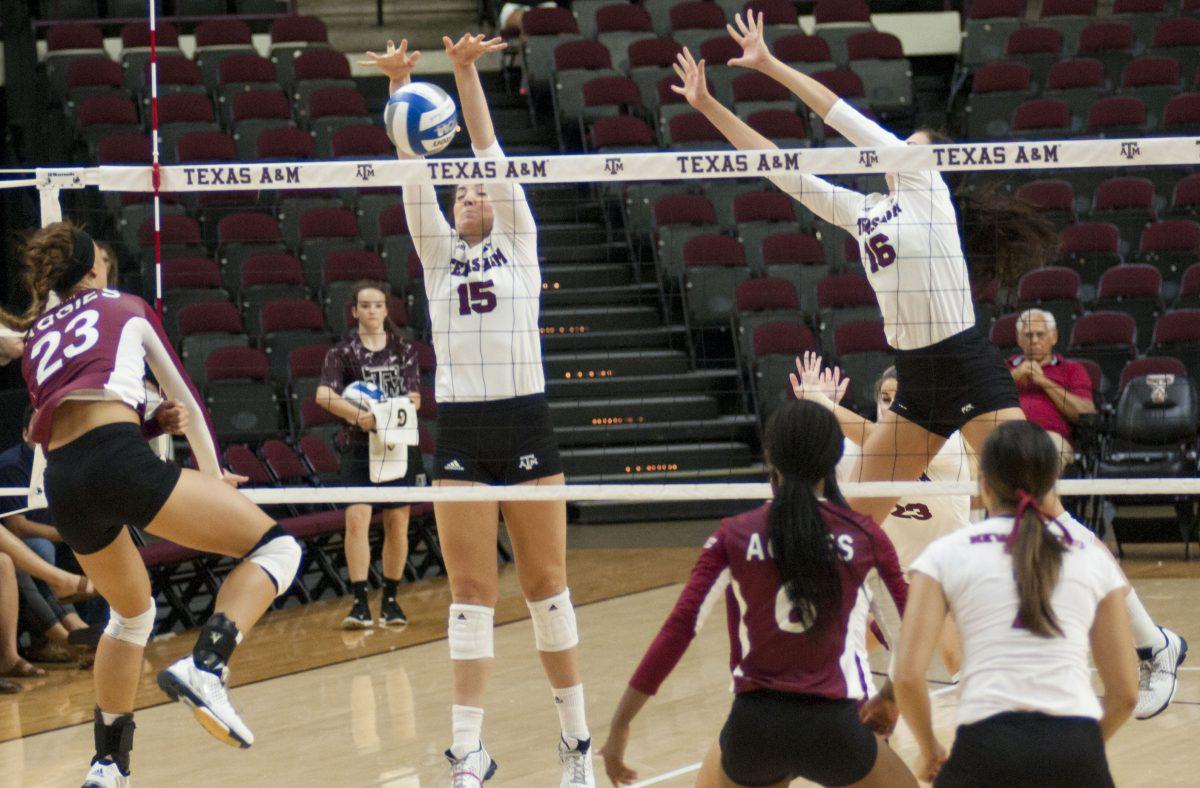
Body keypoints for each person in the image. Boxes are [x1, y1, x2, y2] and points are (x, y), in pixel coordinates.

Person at [670, 12, 1059, 526]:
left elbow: (839, 116)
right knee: (848, 521)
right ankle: (847, 608)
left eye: (914, 146)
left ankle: (1118, 605)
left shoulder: (929, 191)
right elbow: (778, 168)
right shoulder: (866, 212)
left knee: (1040, 512)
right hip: (916, 383)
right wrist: (708, 105)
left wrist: (770, 64)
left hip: (967, 368)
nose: (904, 148)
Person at [359, 35, 595, 786]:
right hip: (461, 426)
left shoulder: (521, 242)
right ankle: (467, 751)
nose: (470, 195)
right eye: (461, 192)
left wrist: (462, 72)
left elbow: (488, 148)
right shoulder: (436, 256)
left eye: (479, 192)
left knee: (545, 588)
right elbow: (411, 174)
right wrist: (399, 89)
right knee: (470, 594)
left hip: (525, 419)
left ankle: (576, 741)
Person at [0, 221, 303, 787]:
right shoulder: (127, 305)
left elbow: (78, 403)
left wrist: (144, 421)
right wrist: (213, 476)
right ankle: (206, 664)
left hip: (66, 485)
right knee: (277, 548)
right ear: (94, 269)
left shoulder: (39, 335)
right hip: (117, 463)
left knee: (132, 614)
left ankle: (107, 766)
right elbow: (186, 397)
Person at [600, 401, 913, 788]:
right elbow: (913, 632)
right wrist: (889, 695)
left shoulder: (734, 534)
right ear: (835, 458)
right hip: (835, 727)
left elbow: (678, 629)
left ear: (770, 457)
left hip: (754, 729)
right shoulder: (865, 537)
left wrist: (621, 723)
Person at [893, 421, 1138, 786]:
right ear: (1051, 486)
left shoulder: (944, 555)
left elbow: (907, 676)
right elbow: (1126, 694)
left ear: (984, 485)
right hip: (1075, 748)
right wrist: (1084, 749)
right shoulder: (1092, 557)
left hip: (985, 749)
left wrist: (929, 748)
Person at [791, 352, 967, 676]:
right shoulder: (855, 452)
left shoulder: (945, 442)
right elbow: (807, 469)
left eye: (901, 400)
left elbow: (894, 445)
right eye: (886, 398)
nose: (892, 407)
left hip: (949, 568)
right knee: (842, 643)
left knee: (956, 657)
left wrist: (824, 403)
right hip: (893, 575)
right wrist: (820, 419)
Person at [316, 281, 426, 629]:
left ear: (386, 309)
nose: (372, 311)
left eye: (378, 305)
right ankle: (360, 602)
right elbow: (323, 395)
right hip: (358, 446)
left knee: (397, 523)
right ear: (354, 311)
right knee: (357, 520)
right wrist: (358, 417)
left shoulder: (403, 349)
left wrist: (383, 416)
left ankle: (391, 600)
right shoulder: (342, 353)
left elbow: (415, 399)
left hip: (396, 445)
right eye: (365, 306)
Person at [1008, 308, 1095, 468]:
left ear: (1053, 337)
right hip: (1006, 437)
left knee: (1041, 453)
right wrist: (1013, 376)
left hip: (1050, 438)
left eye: (1040, 334)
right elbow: (978, 402)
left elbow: (1085, 412)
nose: (1034, 340)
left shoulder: (1072, 369)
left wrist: (1044, 382)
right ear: (1019, 339)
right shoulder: (1004, 368)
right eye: (1028, 335)